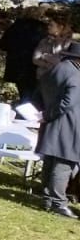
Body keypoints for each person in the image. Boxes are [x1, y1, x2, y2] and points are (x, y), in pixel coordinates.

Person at [36, 41, 80, 219]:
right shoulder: (76, 76)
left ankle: (46, 198)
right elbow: (68, 103)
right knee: (64, 164)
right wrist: (49, 115)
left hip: (52, 122)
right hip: (69, 124)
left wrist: (45, 113)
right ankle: (58, 203)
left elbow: (39, 92)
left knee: (50, 161)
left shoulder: (55, 70)